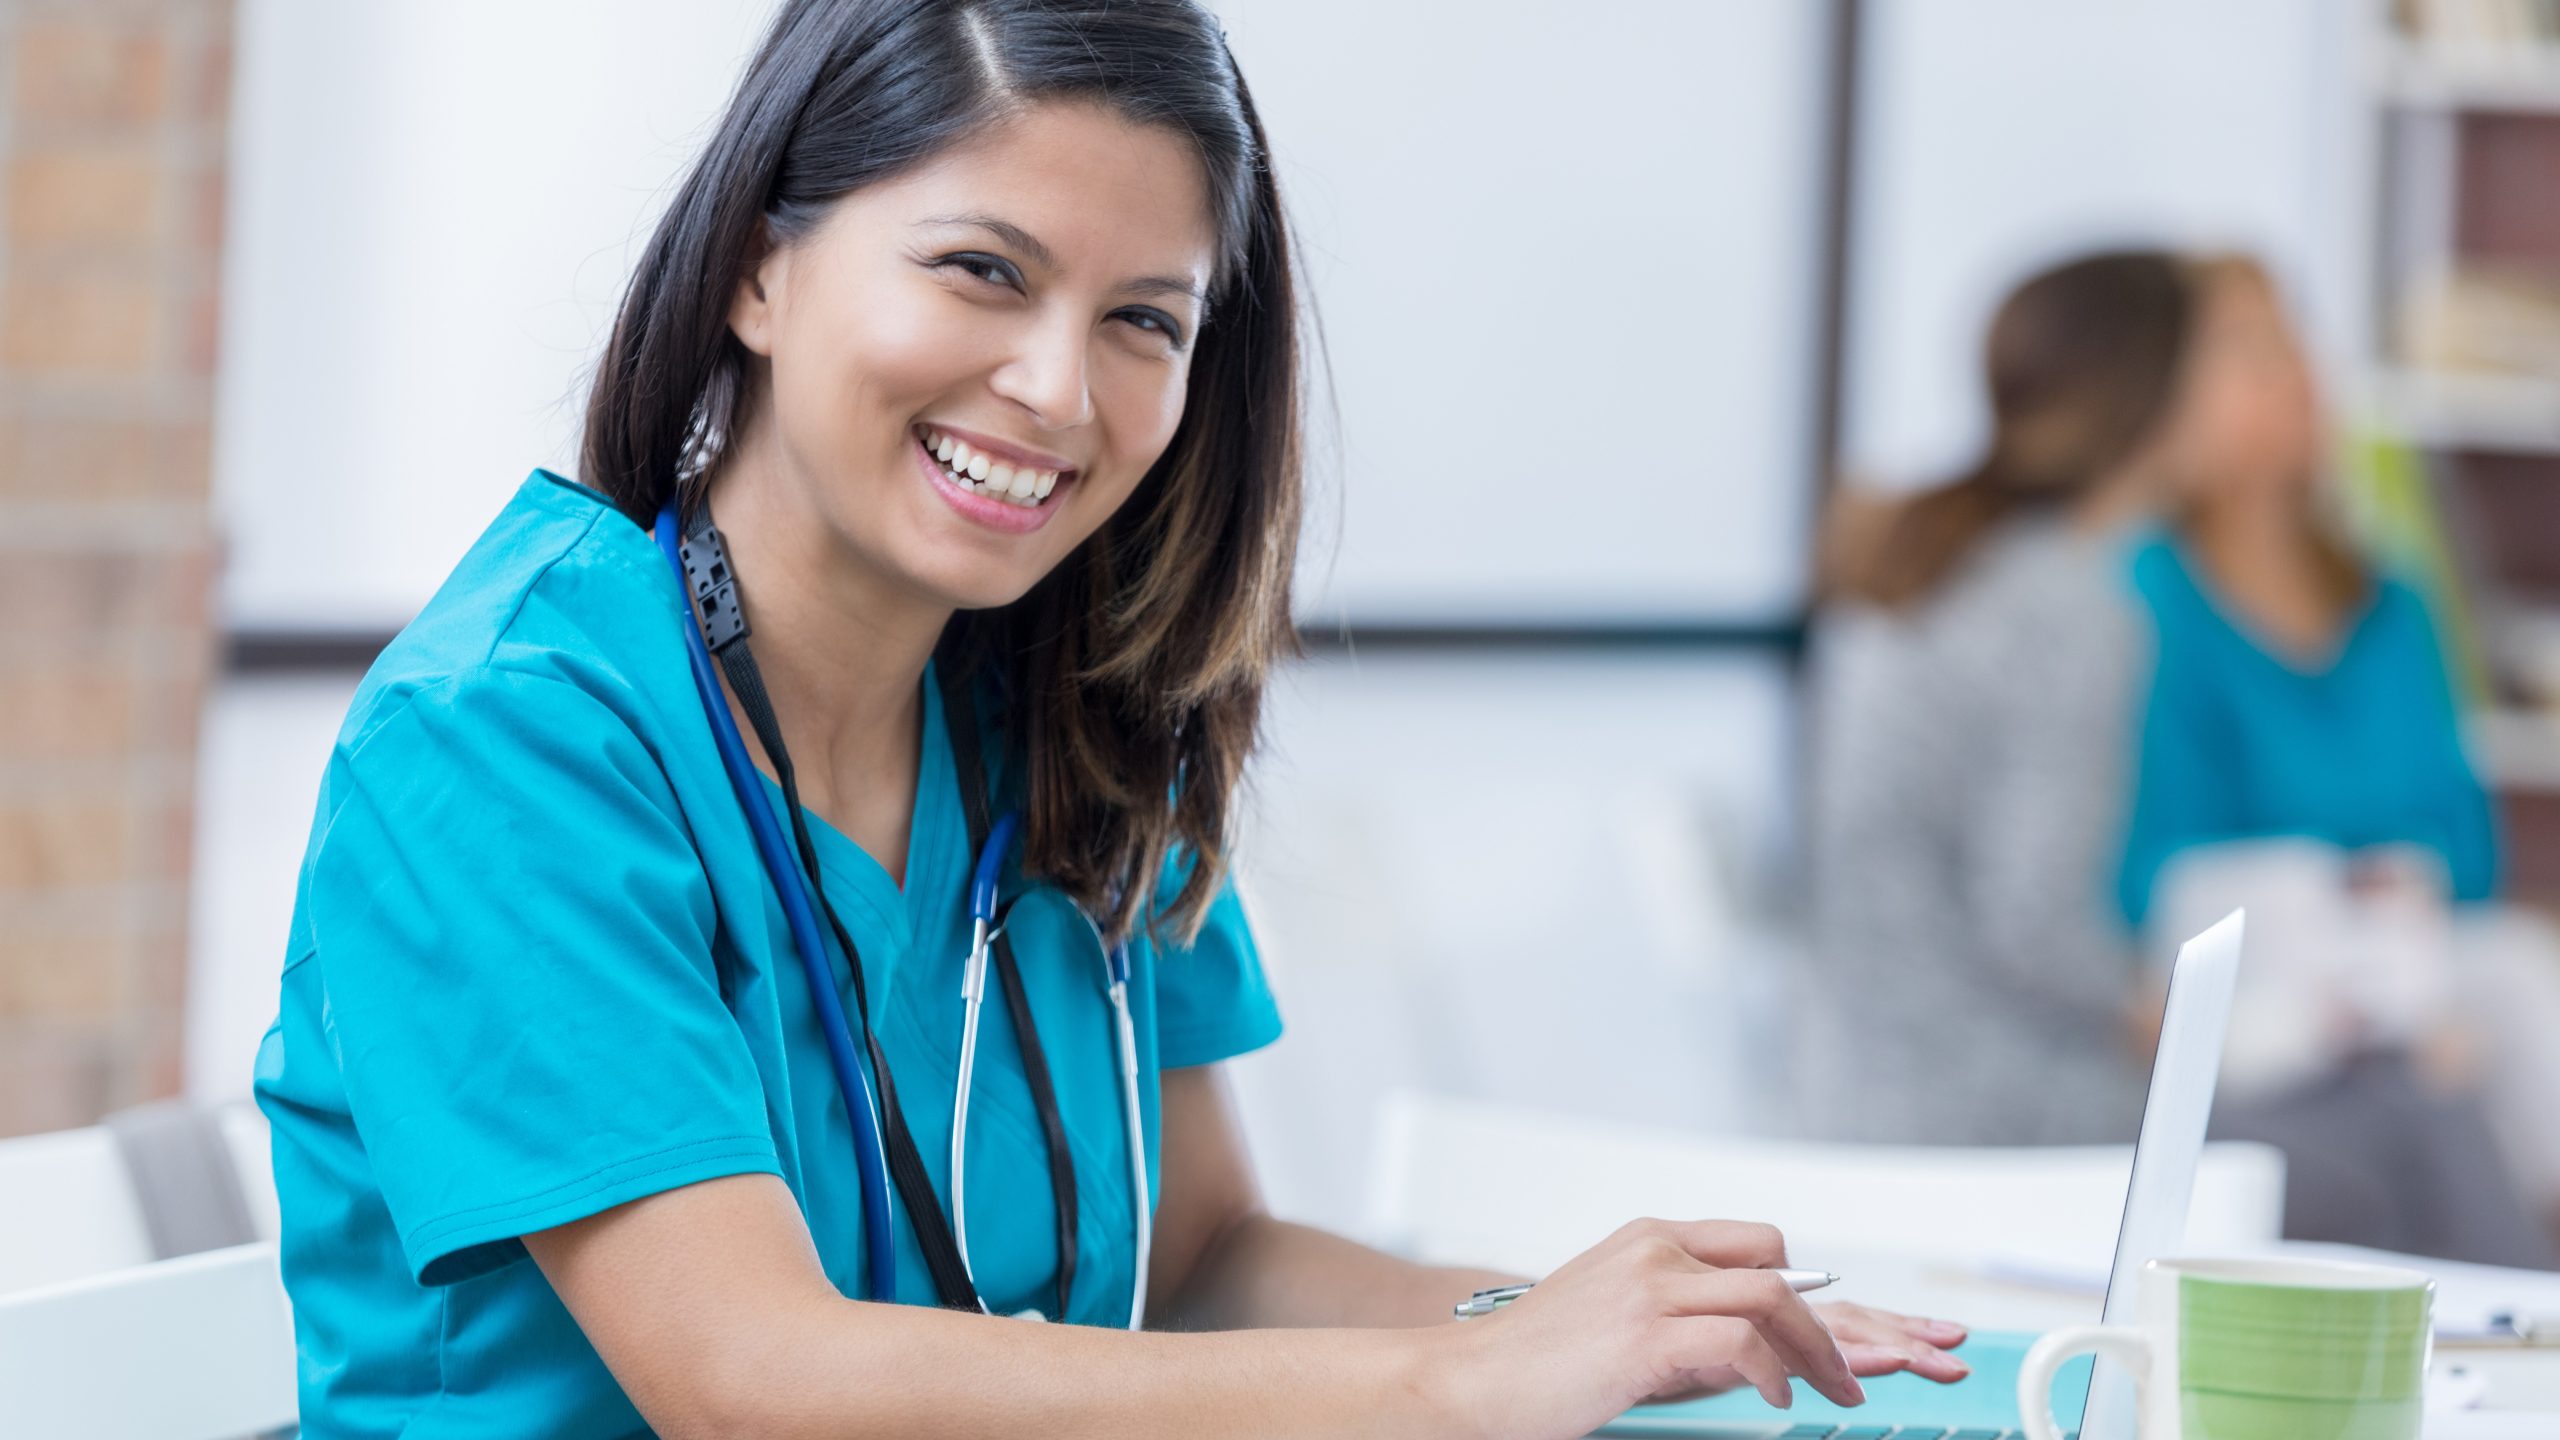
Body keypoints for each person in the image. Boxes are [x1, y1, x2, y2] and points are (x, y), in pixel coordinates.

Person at [249, 3, 1968, 1434]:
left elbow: (1201, 1261)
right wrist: (1458, 1380)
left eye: (1144, 320)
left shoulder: (1069, 716)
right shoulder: (505, 741)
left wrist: (1621, 1332)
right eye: (982, 270)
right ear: (757, 273)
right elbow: (744, 1377)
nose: (1060, 392)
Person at [2118, 260, 2560, 1266]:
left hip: (2409, 959)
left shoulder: (2390, 602)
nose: (2297, 374)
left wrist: (2394, 942)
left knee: (2510, 1000)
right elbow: (2151, 875)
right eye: (2250, 352)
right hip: (2248, 985)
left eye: (2295, 341)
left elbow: (2462, 838)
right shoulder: (2142, 607)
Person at [1797, 251, 2203, 1146]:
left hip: (1849, 1083)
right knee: (2375, 1143)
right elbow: (2034, 920)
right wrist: (2167, 1013)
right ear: (2159, 396)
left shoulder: (1935, 557)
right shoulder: (2069, 611)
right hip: (1995, 1113)